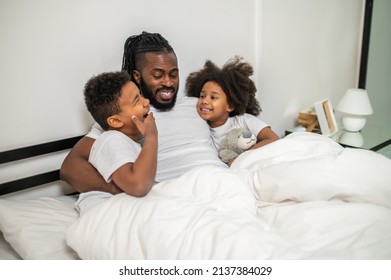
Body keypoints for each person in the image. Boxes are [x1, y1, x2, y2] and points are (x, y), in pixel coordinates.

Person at [60, 32, 225, 194]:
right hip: (179, 193)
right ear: (137, 77)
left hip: (223, 181)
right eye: (157, 75)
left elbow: (232, 130)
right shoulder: (125, 119)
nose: (168, 82)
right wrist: (118, 189)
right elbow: (70, 168)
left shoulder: (198, 105)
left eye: (174, 74)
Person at [185, 56, 279, 164]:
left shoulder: (244, 120)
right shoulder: (203, 132)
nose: (204, 101)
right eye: (202, 96)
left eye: (213, 97)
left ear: (230, 106)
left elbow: (273, 139)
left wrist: (240, 159)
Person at [82, 71, 157, 197]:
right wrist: (152, 136)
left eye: (140, 95)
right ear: (115, 121)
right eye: (136, 101)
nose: (147, 102)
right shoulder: (111, 140)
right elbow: (139, 186)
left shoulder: (127, 141)